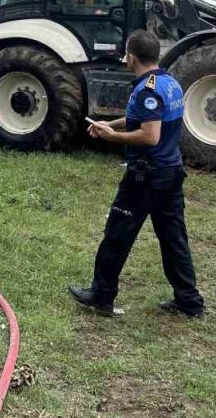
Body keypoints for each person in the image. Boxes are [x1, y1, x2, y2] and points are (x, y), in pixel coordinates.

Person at [69, 30, 205, 318]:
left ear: (131, 57)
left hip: (145, 176)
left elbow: (150, 135)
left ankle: (101, 296)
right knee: (174, 239)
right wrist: (112, 124)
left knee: (117, 235)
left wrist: (112, 137)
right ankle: (189, 301)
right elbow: (145, 118)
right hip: (170, 173)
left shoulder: (146, 91)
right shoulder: (169, 83)